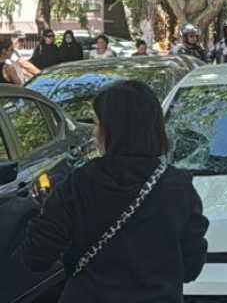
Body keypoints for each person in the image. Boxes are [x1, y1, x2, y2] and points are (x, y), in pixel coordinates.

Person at [20, 80, 209, 301]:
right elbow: (191, 267)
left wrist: (45, 210)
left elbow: (36, 257)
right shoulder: (178, 188)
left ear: (112, 131)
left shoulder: (79, 185)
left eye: (97, 123)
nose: (94, 132)